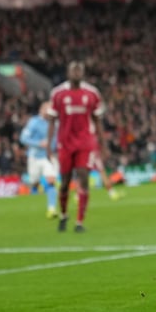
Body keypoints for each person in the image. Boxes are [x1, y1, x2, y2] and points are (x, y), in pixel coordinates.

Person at [46, 61, 106, 233]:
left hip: (85, 143)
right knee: (64, 183)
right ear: (68, 72)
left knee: (83, 178)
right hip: (64, 143)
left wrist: (103, 144)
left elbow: (97, 120)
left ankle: (79, 222)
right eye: (74, 70)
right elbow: (52, 120)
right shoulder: (58, 94)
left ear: (83, 73)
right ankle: (64, 214)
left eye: (80, 70)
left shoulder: (92, 93)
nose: (77, 73)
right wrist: (49, 145)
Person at [20, 101, 59, 219]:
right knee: (34, 181)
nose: (50, 112)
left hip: (48, 157)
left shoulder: (55, 123)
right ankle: (34, 190)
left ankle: (51, 209)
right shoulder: (34, 122)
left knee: (51, 180)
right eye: (48, 109)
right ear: (42, 110)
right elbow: (23, 138)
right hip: (34, 157)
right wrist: (38, 143)